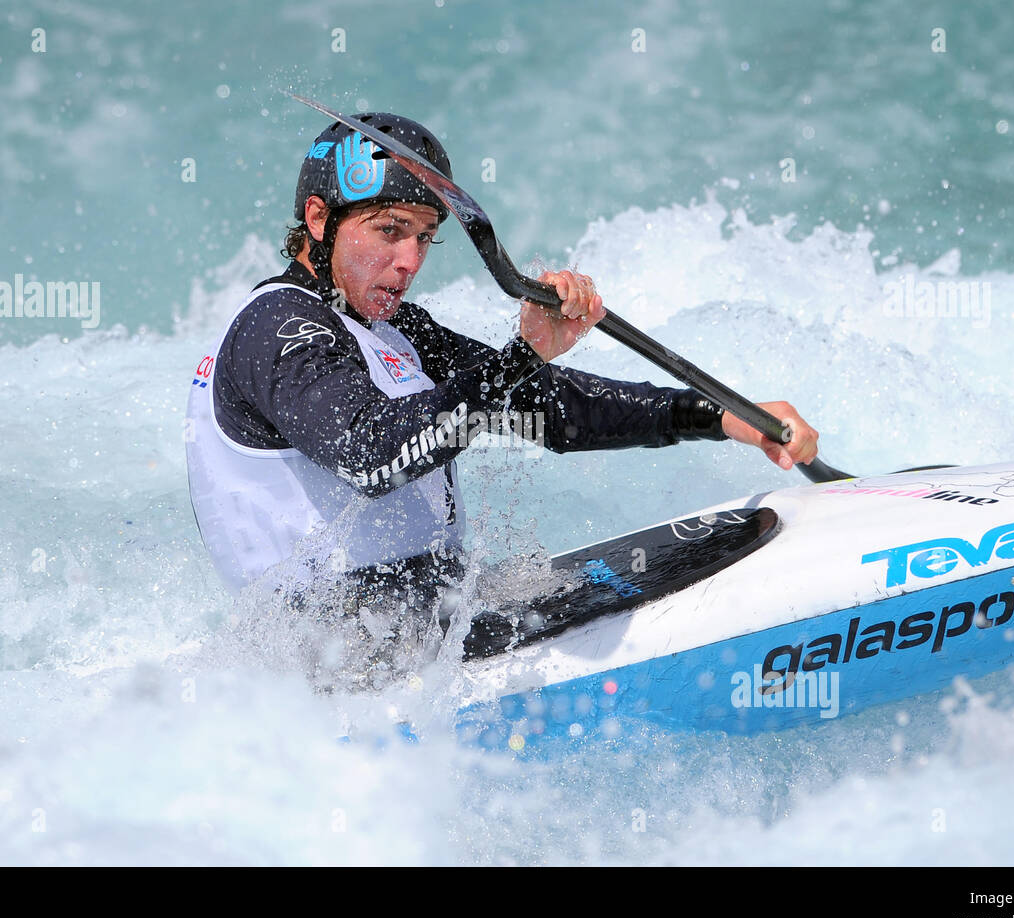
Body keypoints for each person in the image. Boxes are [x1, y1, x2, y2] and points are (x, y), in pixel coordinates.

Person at [185, 112, 820, 612]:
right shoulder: (278, 326)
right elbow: (371, 455)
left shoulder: (390, 329)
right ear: (320, 219)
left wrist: (717, 417)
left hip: (423, 617)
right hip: (330, 656)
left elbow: (550, 411)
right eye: (388, 230)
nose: (410, 261)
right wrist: (520, 356)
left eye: (424, 237)